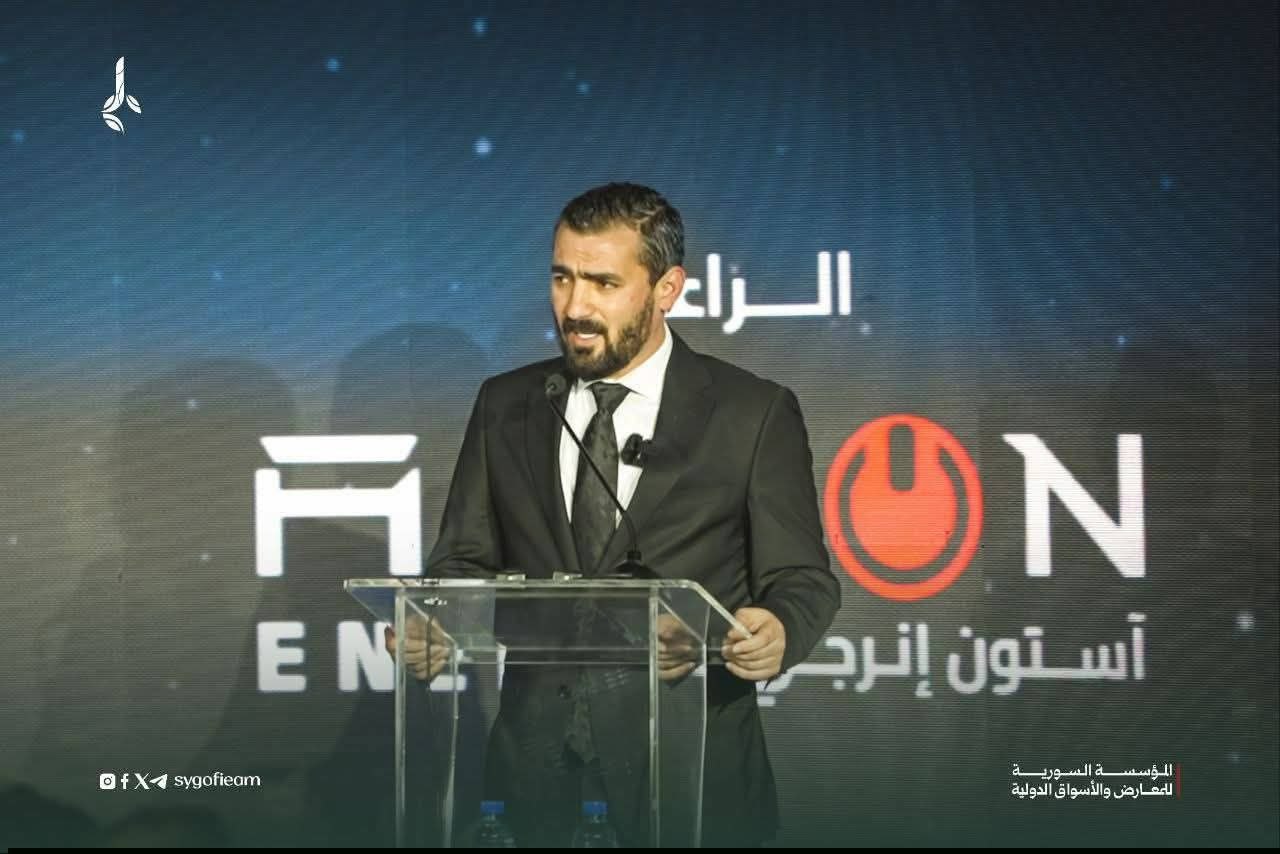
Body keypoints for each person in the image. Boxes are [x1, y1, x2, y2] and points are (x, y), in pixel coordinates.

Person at [386, 182, 841, 846]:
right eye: (562, 278)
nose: (575, 306)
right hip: (533, 783)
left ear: (667, 288)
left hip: (694, 776)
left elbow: (802, 578)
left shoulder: (752, 412)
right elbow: (461, 563)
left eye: (604, 283)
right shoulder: (507, 404)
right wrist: (435, 621)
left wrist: (774, 628)